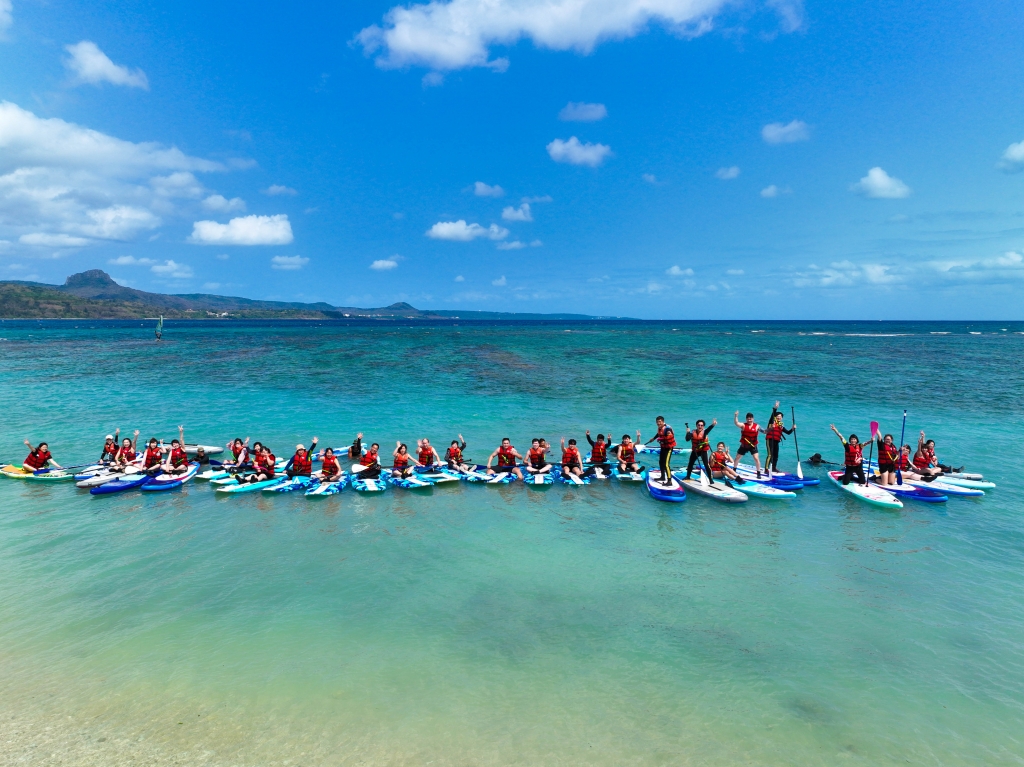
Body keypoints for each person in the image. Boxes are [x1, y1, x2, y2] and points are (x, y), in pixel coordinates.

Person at [682, 418, 717, 484]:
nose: (700, 426)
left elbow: (709, 428)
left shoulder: (705, 432)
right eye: (699, 425)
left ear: (703, 426)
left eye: (701, 425)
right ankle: (688, 476)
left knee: (706, 465)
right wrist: (687, 432)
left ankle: (710, 479)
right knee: (690, 464)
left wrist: (713, 424)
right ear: (696, 426)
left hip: (703, 451)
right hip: (695, 451)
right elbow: (687, 439)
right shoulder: (692, 432)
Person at [644, 416, 676, 486]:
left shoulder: (667, 428)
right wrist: (654, 438)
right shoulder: (660, 428)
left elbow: (669, 436)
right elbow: (659, 434)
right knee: (661, 462)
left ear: (663, 421)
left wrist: (660, 439)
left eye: (660, 422)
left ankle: (669, 481)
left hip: (669, 448)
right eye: (657, 422)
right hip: (663, 447)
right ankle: (662, 477)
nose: (658, 423)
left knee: (666, 464)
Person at [764, 402, 794, 473]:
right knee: (770, 455)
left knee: (776, 455)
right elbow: (772, 416)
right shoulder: (771, 422)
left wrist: (792, 428)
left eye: (780, 416)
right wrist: (775, 408)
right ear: (775, 417)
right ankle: (766, 469)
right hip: (770, 440)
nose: (779, 417)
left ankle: (774, 468)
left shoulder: (781, 426)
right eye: (777, 416)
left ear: (782, 418)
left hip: (776, 441)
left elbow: (788, 433)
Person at [733, 410, 765, 477]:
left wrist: (771, 428)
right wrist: (736, 416)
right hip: (744, 445)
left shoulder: (757, 426)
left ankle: (758, 473)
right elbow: (736, 423)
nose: (749, 420)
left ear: (753, 419)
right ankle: (734, 470)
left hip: (753, 445)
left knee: (756, 458)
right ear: (746, 419)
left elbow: (764, 431)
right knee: (737, 457)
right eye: (748, 419)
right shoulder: (743, 425)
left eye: (750, 419)